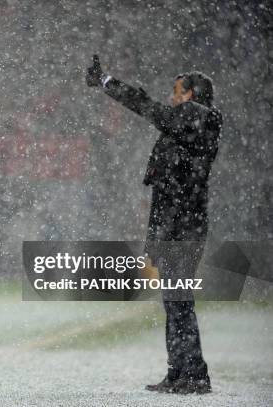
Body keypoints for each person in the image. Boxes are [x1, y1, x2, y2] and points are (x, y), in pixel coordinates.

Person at [86, 55, 222, 394]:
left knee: (178, 300)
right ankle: (183, 372)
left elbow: (151, 109)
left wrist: (107, 83)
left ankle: (191, 375)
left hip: (182, 227)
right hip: (177, 224)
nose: (172, 98)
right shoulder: (190, 119)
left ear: (192, 94)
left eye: (177, 92)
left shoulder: (199, 116)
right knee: (175, 300)